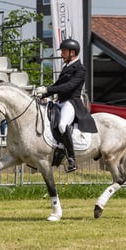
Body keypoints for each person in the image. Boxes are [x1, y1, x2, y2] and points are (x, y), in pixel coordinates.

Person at [36, 39, 98, 173]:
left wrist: (48, 90)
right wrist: (43, 94)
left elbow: (69, 86)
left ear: (72, 52)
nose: (62, 54)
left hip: (72, 102)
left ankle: (71, 159)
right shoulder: (66, 67)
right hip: (61, 101)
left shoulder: (80, 69)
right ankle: (56, 149)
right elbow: (58, 84)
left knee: (62, 125)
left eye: (64, 51)